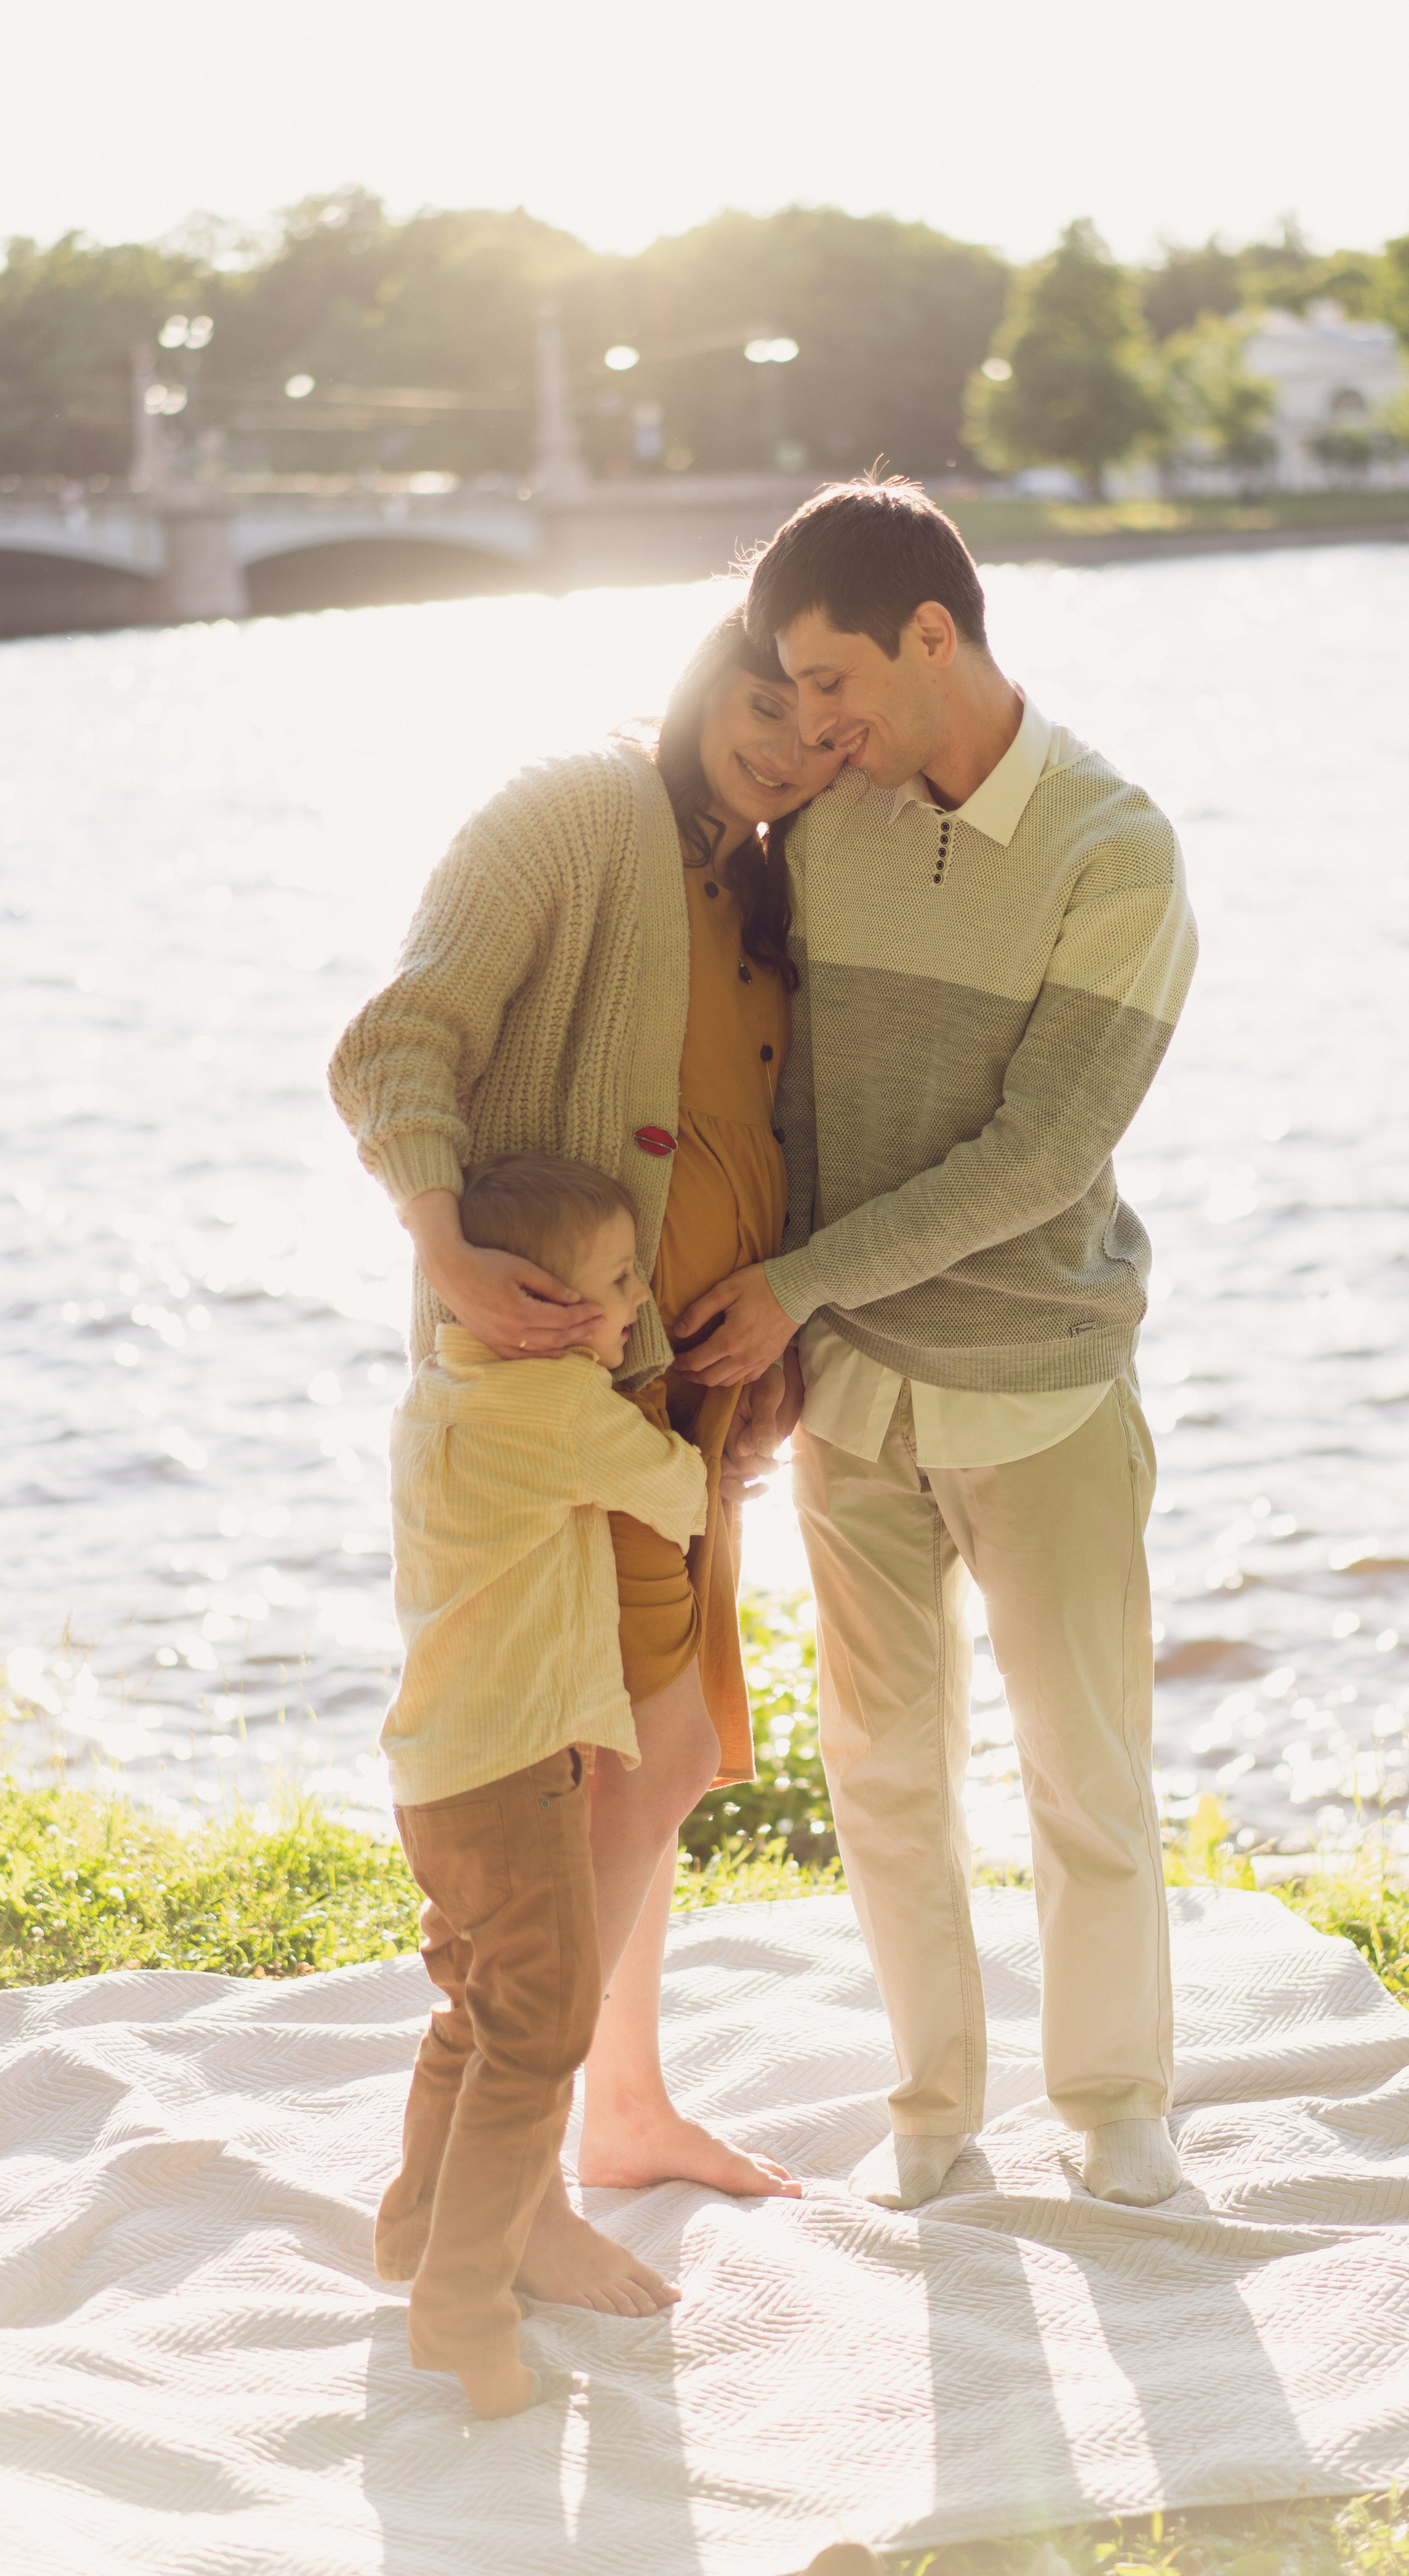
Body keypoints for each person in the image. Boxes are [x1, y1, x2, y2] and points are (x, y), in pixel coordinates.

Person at [677, 480, 1199, 2212]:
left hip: (1038, 1381)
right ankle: (930, 2112)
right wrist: (787, 1318)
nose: (811, 727)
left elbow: (1043, 1153)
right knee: (885, 1771)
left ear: (932, 634)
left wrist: (804, 1281)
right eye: (788, 693)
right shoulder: (831, 824)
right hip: (848, 1390)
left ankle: (1117, 2105)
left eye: (832, 685)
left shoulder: (1114, 852)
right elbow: (789, 1085)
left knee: (1082, 1767)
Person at [330, 611, 843, 2294]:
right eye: (762, 700)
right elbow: (398, 1040)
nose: (787, 742)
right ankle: (524, 2175)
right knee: (620, 1759)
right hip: (568, 1405)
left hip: (682, 1397)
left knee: (664, 1756)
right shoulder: (573, 809)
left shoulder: (754, 882)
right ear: (708, 672)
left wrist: (768, 1341)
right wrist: (442, 1246)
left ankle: (607, 2108)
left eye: (824, 723)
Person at [376, 1155, 708, 2418]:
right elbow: (674, 1498)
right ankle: (460, 2311)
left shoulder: (438, 1392)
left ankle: (414, 2229)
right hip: (517, 1778)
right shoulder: (564, 1415)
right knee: (539, 2035)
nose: (635, 1303)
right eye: (620, 1282)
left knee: (471, 2008)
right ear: (550, 1311)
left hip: (436, 1772)